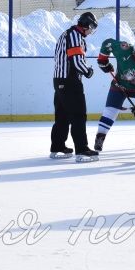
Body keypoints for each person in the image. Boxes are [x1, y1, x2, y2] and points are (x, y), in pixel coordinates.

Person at [93, 33, 135, 152]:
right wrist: (103, 59)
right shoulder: (124, 48)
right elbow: (108, 43)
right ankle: (100, 137)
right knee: (110, 111)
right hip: (119, 86)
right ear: (133, 49)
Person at [50, 12, 99, 162]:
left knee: (62, 116)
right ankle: (82, 149)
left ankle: (57, 147)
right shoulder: (75, 37)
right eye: (91, 28)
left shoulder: (67, 33)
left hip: (59, 80)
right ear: (86, 25)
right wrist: (88, 71)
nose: (91, 32)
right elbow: (77, 62)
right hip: (70, 81)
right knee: (78, 115)